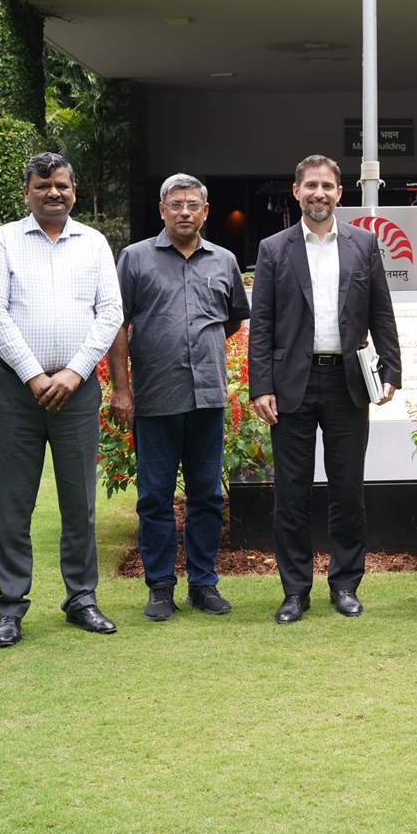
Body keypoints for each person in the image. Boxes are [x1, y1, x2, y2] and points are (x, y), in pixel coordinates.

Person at [0, 152, 123, 647]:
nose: (53, 193)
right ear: (27, 193)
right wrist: (36, 374)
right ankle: (10, 608)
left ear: (74, 191)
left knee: (78, 502)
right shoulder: (4, 241)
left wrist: (75, 371)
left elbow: (110, 313)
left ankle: (81, 598)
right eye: (42, 186)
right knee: (12, 504)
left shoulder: (95, 243)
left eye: (61, 185)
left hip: (78, 391)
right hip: (19, 391)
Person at [249, 154, 402, 622]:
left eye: (327, 186)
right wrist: (260, 386)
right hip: (290, 384)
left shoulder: (363, 244)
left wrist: (391, 370)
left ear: (340, 193)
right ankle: (295, 591)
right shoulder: (274, 248)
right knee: (290, 494)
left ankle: (345, 585)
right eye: (310, 185)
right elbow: (262, 324)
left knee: (348, 490)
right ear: (296, 192)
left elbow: (380, 312)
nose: (319, 193)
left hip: (348, 382)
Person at [108, 173, 250, 621]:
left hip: (208, 398)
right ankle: (160, 586)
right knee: (154, 497)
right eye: (176, 204)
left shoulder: (224, 260)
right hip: (154, 398)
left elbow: (232, 321)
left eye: (193, 205)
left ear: (206, 212)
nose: (185, 211)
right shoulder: (134, 259)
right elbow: (117, 325)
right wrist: (122, 389)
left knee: (208, 495)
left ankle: (203, 584)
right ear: (162, 209)